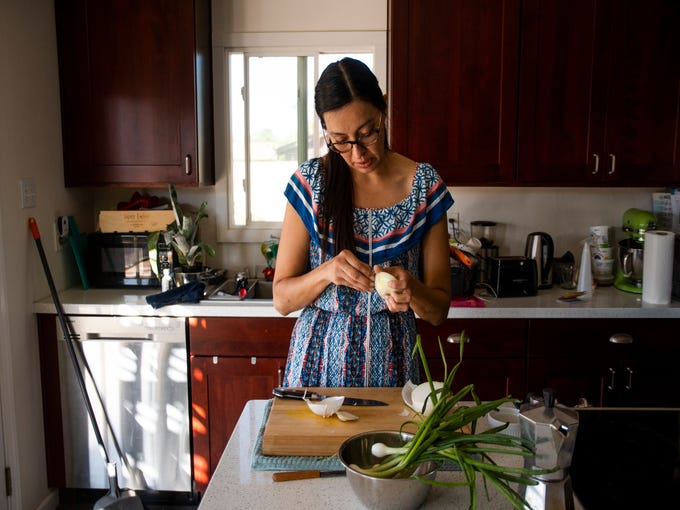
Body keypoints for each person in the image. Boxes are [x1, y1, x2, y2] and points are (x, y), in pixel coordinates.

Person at [273, 57, 453, 388]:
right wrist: (326, 272)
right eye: (341, 141)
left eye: (367, 133)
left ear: (383, 110)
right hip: (316, 371)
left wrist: (411, 289)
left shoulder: (424, 186)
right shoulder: (311, 183)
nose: (358, 153)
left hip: (395, 372)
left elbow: (439, 311)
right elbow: (282, 300)